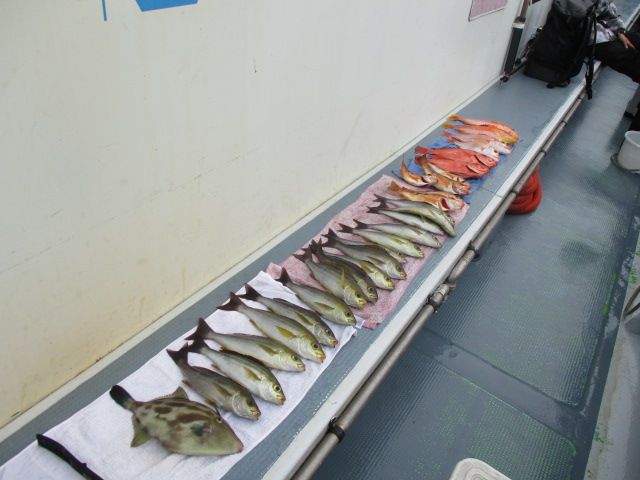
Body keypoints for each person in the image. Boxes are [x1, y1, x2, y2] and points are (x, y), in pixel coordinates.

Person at [592, 0, 640, 130]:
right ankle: (635, 134)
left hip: (608, 31)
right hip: (594, 39)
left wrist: (620, 31)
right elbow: (579, 18)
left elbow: (607, 9)